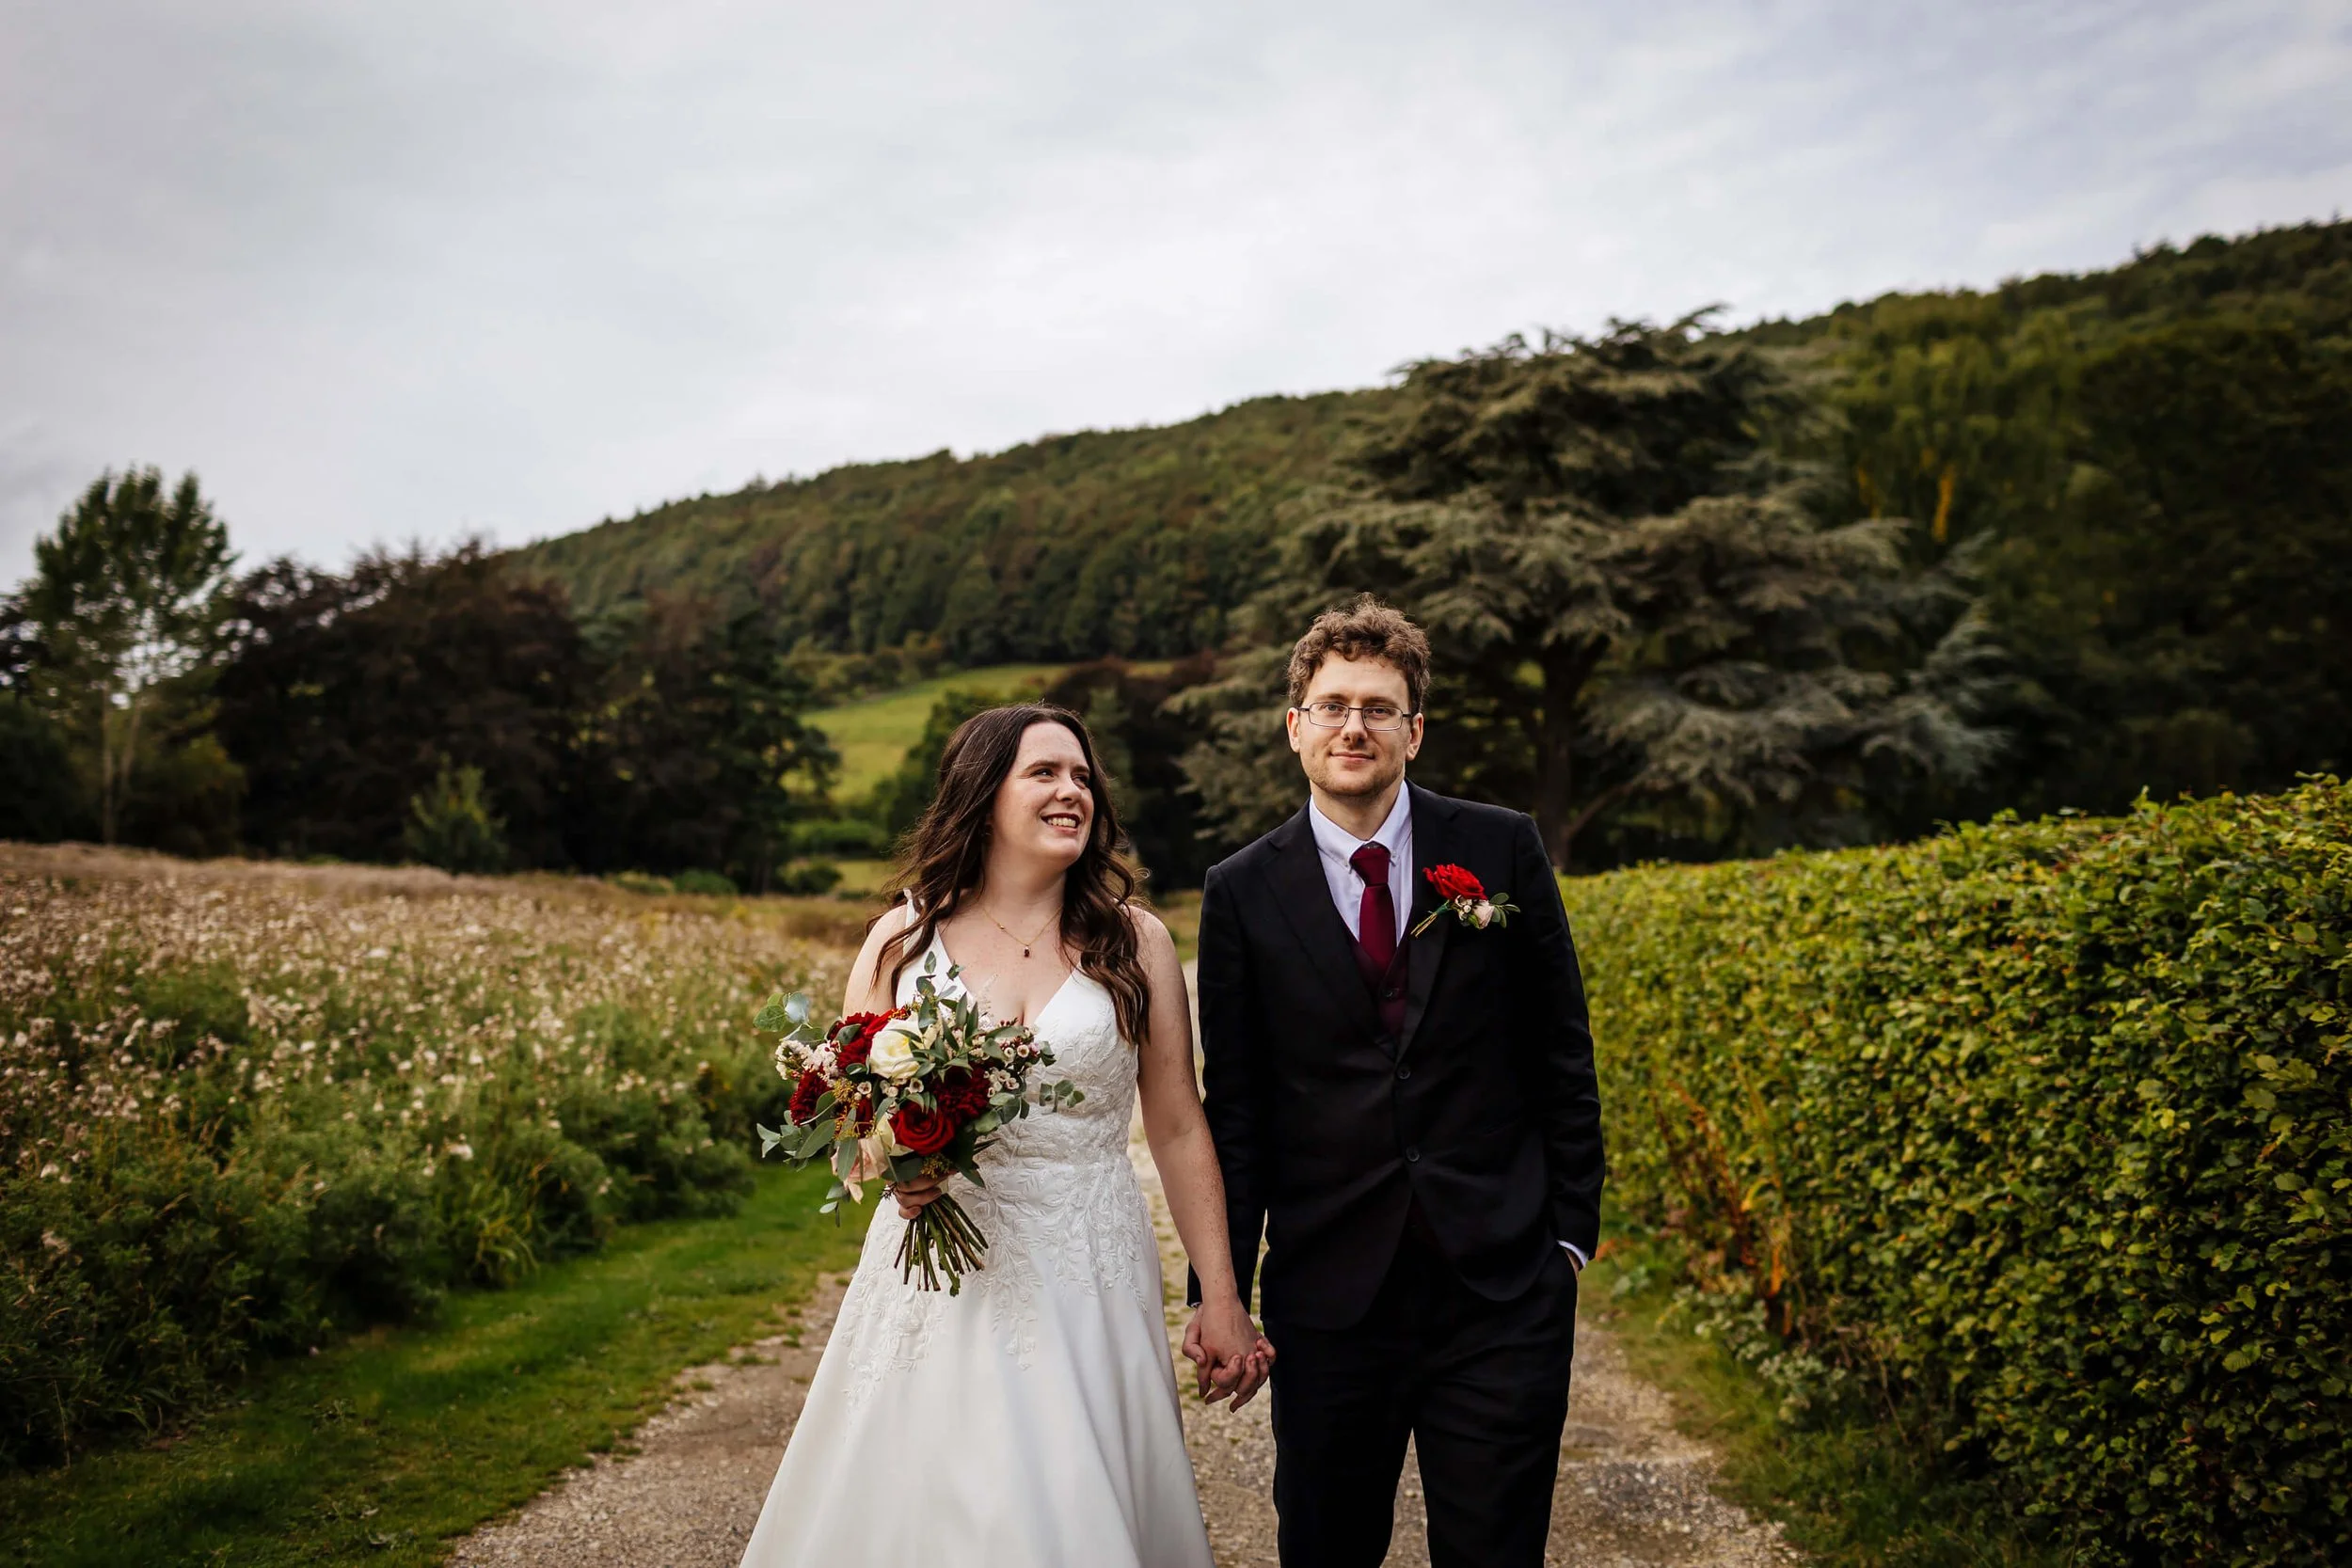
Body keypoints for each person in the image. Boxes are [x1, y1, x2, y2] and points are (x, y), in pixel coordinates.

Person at [739, 704, 1270, 1568]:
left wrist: (1220, 1293)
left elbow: (1175, 1126)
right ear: (985, 796)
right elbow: (852, 1109)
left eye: (1083, 777)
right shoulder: (903, 939)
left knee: (1074, 1491)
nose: (1072, 791)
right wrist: (894, 1166)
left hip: (1088, 1263)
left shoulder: (1136, 943)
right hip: (939, 1272)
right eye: (1045, 773)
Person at [1186, 596, 1604, 1568]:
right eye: (1331, 705)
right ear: (1294, 728)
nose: (1353, 726)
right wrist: (1223, 1288)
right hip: (1330, 1298)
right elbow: (1237, 1107)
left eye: (1378, 707)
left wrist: (1569, 1236)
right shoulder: (1240, 889)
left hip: (1501, 1288)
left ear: (1413, 730)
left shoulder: (1499, 846)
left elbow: (1561, 1048)